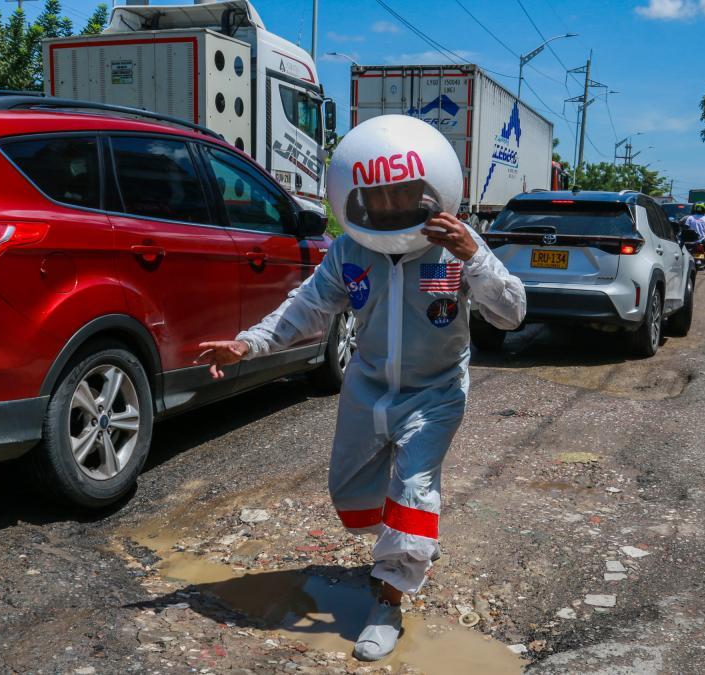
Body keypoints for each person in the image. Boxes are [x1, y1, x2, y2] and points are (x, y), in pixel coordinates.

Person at [195, 115, 526, 662]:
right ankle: (408, 544)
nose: (393, 208)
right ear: (355, 197)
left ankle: (389, 599)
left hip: (436, 394)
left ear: (431, 190)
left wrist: (476, 255)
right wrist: (247, 345)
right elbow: (305, 307)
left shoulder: (456, 249)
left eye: (405, 195)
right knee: (350, 501)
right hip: (366, 391)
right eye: (380, 197)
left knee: (414, 492)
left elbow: (512, 314)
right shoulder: (349, 253)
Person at [684, 204, 705, 269]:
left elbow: (686, 227)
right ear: (704, 211)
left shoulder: (690, 218)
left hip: (690, 240)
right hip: (702, 241)